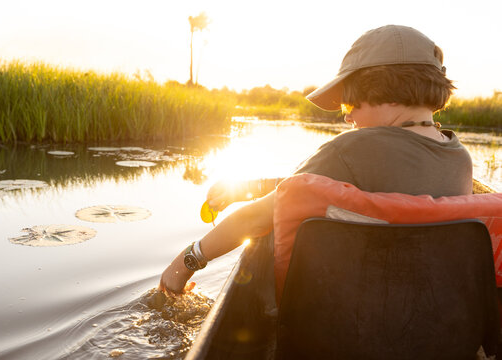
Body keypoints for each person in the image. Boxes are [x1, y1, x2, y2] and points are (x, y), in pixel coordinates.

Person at [159, 24, 473, 295]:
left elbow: (257, 218)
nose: (347, 117)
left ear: (378, 89)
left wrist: (186, 261)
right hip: (437, 318)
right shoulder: (460, 158)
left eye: (349, 103)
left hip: (351, 322)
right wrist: (247, 188)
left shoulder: (350, 149)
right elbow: (342, 186)